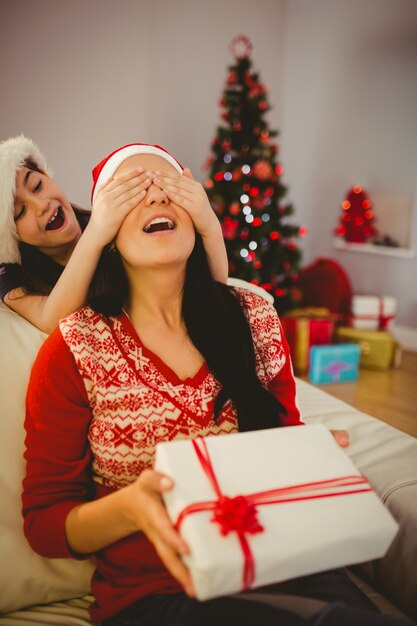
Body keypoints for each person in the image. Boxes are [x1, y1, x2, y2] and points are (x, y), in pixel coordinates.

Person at [22, 144, 411, 626]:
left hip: (289, 559)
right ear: (106, 234)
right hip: (158, 595)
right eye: (132, 191)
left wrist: (306, 456)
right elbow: (45, 523)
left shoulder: (254, 317)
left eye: (169, 185)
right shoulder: (73, 349)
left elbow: (284, 440)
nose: (157, 197)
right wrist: (132, 508)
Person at [0, 136, 228, 333]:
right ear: (10, 236)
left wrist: (209, 224)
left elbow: (208, 286)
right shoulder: (10, 277)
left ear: (45, 174)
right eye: (20, 212)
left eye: (38, 186)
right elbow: (52, 320)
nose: (41, 206)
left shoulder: (108, 224)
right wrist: (97, 234)